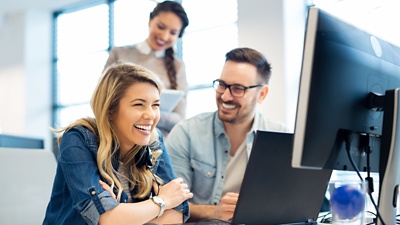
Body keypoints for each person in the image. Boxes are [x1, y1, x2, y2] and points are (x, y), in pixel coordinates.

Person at [43, 62, 193, 225]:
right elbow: (107, 220)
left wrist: (121, 212)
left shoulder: (153, 141)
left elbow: (178, 214)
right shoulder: (77, 139)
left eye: (155, 105)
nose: (151, 115)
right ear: (110, 109)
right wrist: (162, 201)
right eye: (138, 104)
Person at [165, 47, 289, 222]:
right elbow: (171, 205)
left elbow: (292, 205)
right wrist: (215, 212)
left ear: (262, 94)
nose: (225, 96)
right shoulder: (186, 133)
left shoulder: (281, 138)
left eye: (238, 88)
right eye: (222, 84)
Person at [104, 1, 189, 137]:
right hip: (120, 138)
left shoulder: (178, 67)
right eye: (161, 27)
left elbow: (179, 118)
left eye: (173, 32)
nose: (165, 36)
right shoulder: (120, 54)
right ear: (150, 21)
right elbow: (104, 100)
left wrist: (144, 113)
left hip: (160, 144)